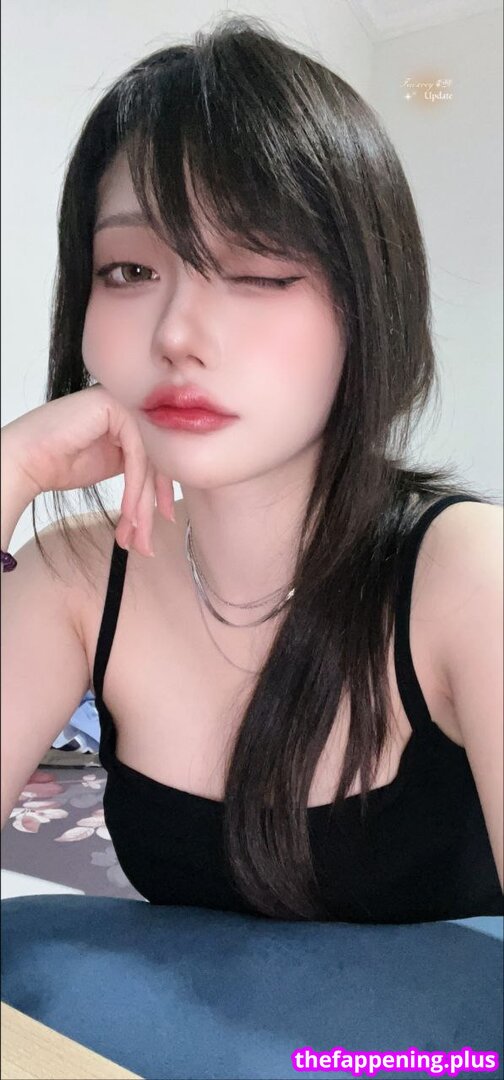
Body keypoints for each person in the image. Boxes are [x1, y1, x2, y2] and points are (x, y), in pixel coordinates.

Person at [1, 14, 502, 929]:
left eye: (260, 270)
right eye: (128, 269)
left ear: (369, 301)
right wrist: (6, 473)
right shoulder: (73, 577)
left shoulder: (470, 575)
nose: (176, 335)